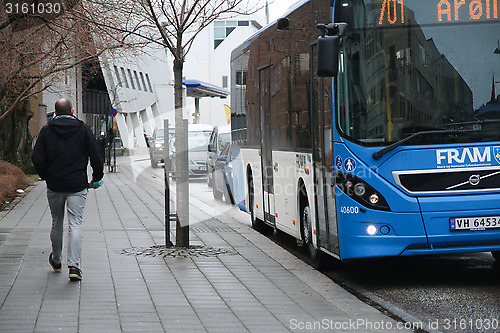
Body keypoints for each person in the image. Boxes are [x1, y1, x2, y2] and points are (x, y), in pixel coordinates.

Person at [32, 98, 104, 281]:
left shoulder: (47, 131)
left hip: (55, 185)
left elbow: (37, 158)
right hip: (77, 185)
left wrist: (46, 176)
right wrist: (97, 176)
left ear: (55, 113)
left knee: (57, 222)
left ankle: (56, 260)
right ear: (72, 111)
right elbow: (96, 155)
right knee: (75, 224)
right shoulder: (82, 129)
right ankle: (74, 266)